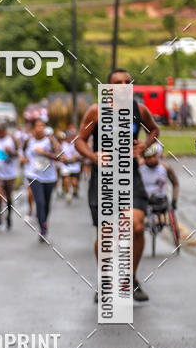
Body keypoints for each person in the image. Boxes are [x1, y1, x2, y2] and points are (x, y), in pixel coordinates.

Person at [75, 68, 159, 302]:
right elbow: (79, 140)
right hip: (103, 179)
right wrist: (93, 157)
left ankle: (130, 278)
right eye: (117, 82)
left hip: (130, 175)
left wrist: (144, 146)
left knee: (137, 226)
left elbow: (154, 130)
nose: (123, 85)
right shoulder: (97, 111)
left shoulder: (138, 109)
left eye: (127, 82)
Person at [21, 118, 60, 241]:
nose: (40, 128)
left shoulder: (50, 140)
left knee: (47, 203)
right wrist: (24, 159)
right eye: (37, 126)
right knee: (40, 201)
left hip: (49, 176)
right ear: (33, 128)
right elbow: (23, 153)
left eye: (42, 126)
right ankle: (42, 229)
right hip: (33, 175)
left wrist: (44, 152)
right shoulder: (28, 141)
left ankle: (44, 222)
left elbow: (59, 156)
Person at [139, 142, 179, 227]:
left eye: (154, 156)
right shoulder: (139, 168)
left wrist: (174, 201)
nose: (152, 160)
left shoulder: (165, 168)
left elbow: (175, 184)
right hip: (144, 201)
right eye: (149, 157)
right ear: (144, 158)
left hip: (160, 200)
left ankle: (159, 219)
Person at [0, 122, 18, 230]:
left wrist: (10, 152)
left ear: (5, 131)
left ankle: (9, 217)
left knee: (9, 196)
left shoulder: (12, 139)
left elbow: (18, 154)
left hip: (10, 173)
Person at [60, 127, 82, 203]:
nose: (69, 138)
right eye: (68, 136)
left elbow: (80, 155)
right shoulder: (63, 144)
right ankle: (68, 194)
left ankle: (74, 190)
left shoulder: (76, 144)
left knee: (74, 182)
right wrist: (63, 157)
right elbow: (60, 154)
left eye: (70, 136)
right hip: (66, 166)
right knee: (66, 180)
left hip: (75, 166)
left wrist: (74, 157)